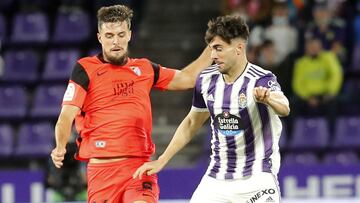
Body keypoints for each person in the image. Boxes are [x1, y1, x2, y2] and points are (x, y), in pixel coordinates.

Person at [50, 5, 211, 203]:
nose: (115, 41)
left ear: (130, 35)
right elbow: (66, 116)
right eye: (109, 35)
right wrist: (60, 146)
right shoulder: (85, 69)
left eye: (120, 34)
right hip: (101, 174)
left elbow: (187, 78)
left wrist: (213, 46)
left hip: (139, 168)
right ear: (100, 37)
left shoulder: (144, 68)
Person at [134, 15, 290, 203]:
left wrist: (268, 99)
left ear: (239, 48)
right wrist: (162, 160)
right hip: (217, 179)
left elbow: (284, 108)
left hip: (257, 178)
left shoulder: (262, 79)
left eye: (219, 49)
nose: (213, 56)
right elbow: (192, 122)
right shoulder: (206, 79)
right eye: (211, 49)